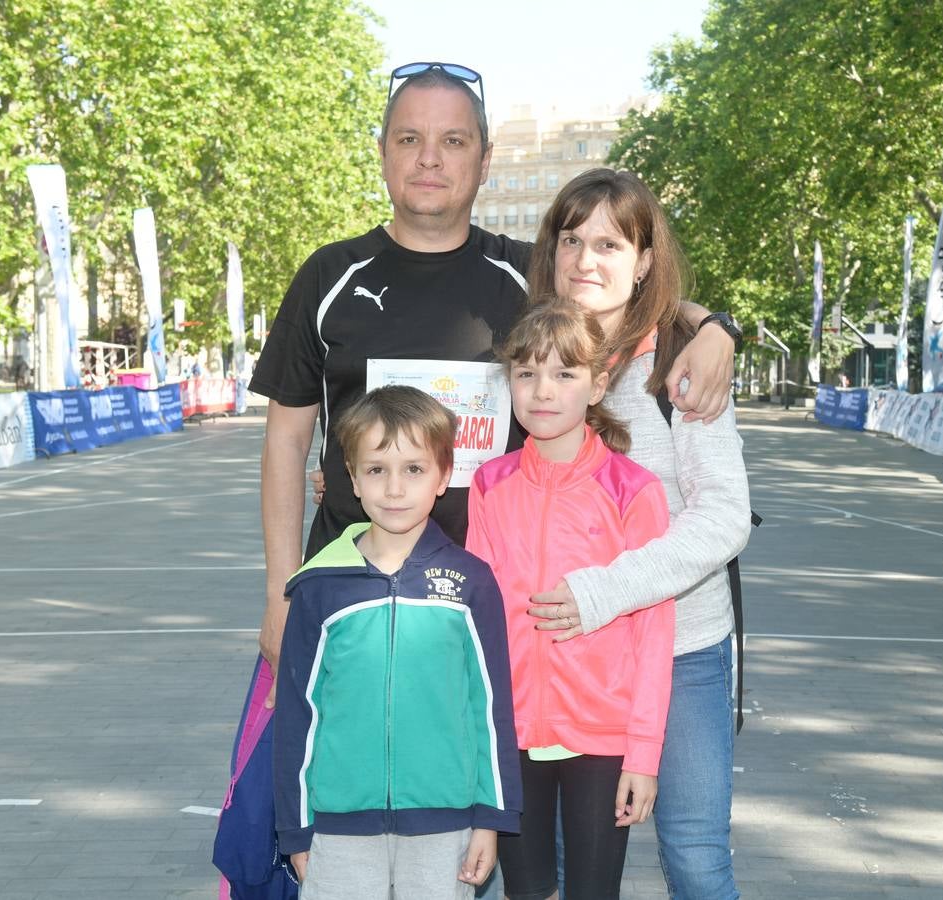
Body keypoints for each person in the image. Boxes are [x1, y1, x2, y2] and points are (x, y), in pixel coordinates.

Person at [248, 61, 738, 714]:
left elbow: (618, 293)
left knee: (469, 808)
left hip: (488, 615)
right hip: (347, 601)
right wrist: (282, 593)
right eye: (408, 139)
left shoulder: (525, 282)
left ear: (484, 159)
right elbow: (285, 444)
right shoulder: (328, 276)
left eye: (453, 141)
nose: (429, 159)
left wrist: (715, 329)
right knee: (336, 805)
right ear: (382, 152)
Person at [522, 168, 752, 900]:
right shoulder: (536, 352)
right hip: (568, 661)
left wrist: (605, 591)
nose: (587, 260)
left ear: (645, 260)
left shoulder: (681, 361)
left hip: (681, 651)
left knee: (693, 856)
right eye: (573, 239)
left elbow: (723, 518)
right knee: (556, 862)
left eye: (611, 244)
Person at [271, 385, 521, 900]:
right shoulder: (320, 586)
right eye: (377, 469)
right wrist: (295, 826)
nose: (394, 488)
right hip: (338, 825)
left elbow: (491, 710)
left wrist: (491, 819)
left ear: (444, 476)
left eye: (413, 469)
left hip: (445, 824)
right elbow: (298, 713)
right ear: (354, 478)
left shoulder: (471, 582)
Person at [466, 300, 674, 900]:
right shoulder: (490, 484)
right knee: (524, 892)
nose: (542, 391)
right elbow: (476, 625)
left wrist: (643, 754)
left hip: (603, 738)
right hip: (512, 733)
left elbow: (654, 632)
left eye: (564, 374)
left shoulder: (634, 492)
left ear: (598, 382)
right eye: (526, 374)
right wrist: (477, 736)